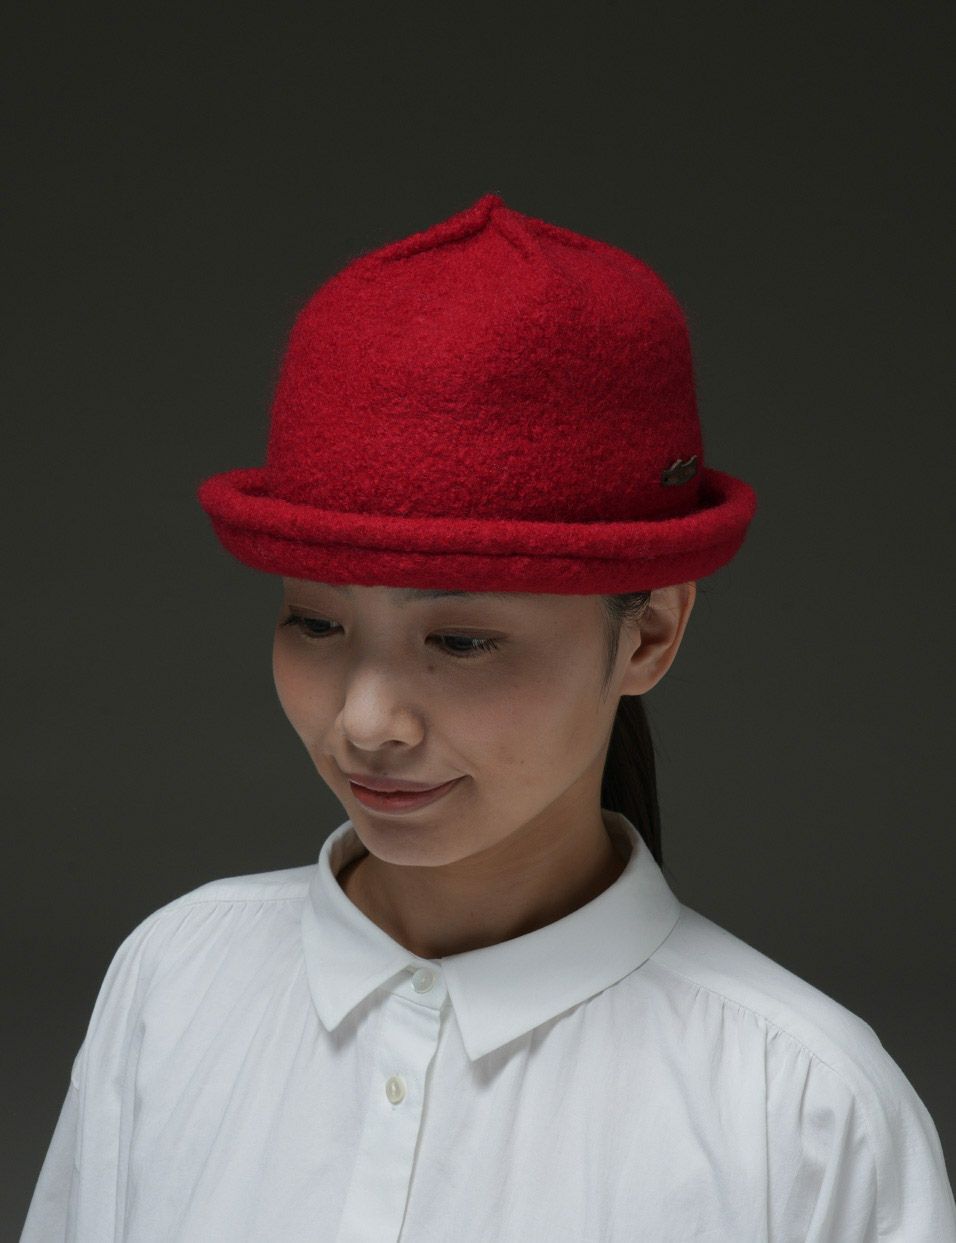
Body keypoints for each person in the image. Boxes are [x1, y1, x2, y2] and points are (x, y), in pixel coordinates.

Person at [21, 193, 956, 1241]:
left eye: (461, 641)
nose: (366, 722)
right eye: (315, 624)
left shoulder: (805, 1112)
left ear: (648, 633)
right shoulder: (175, 979)